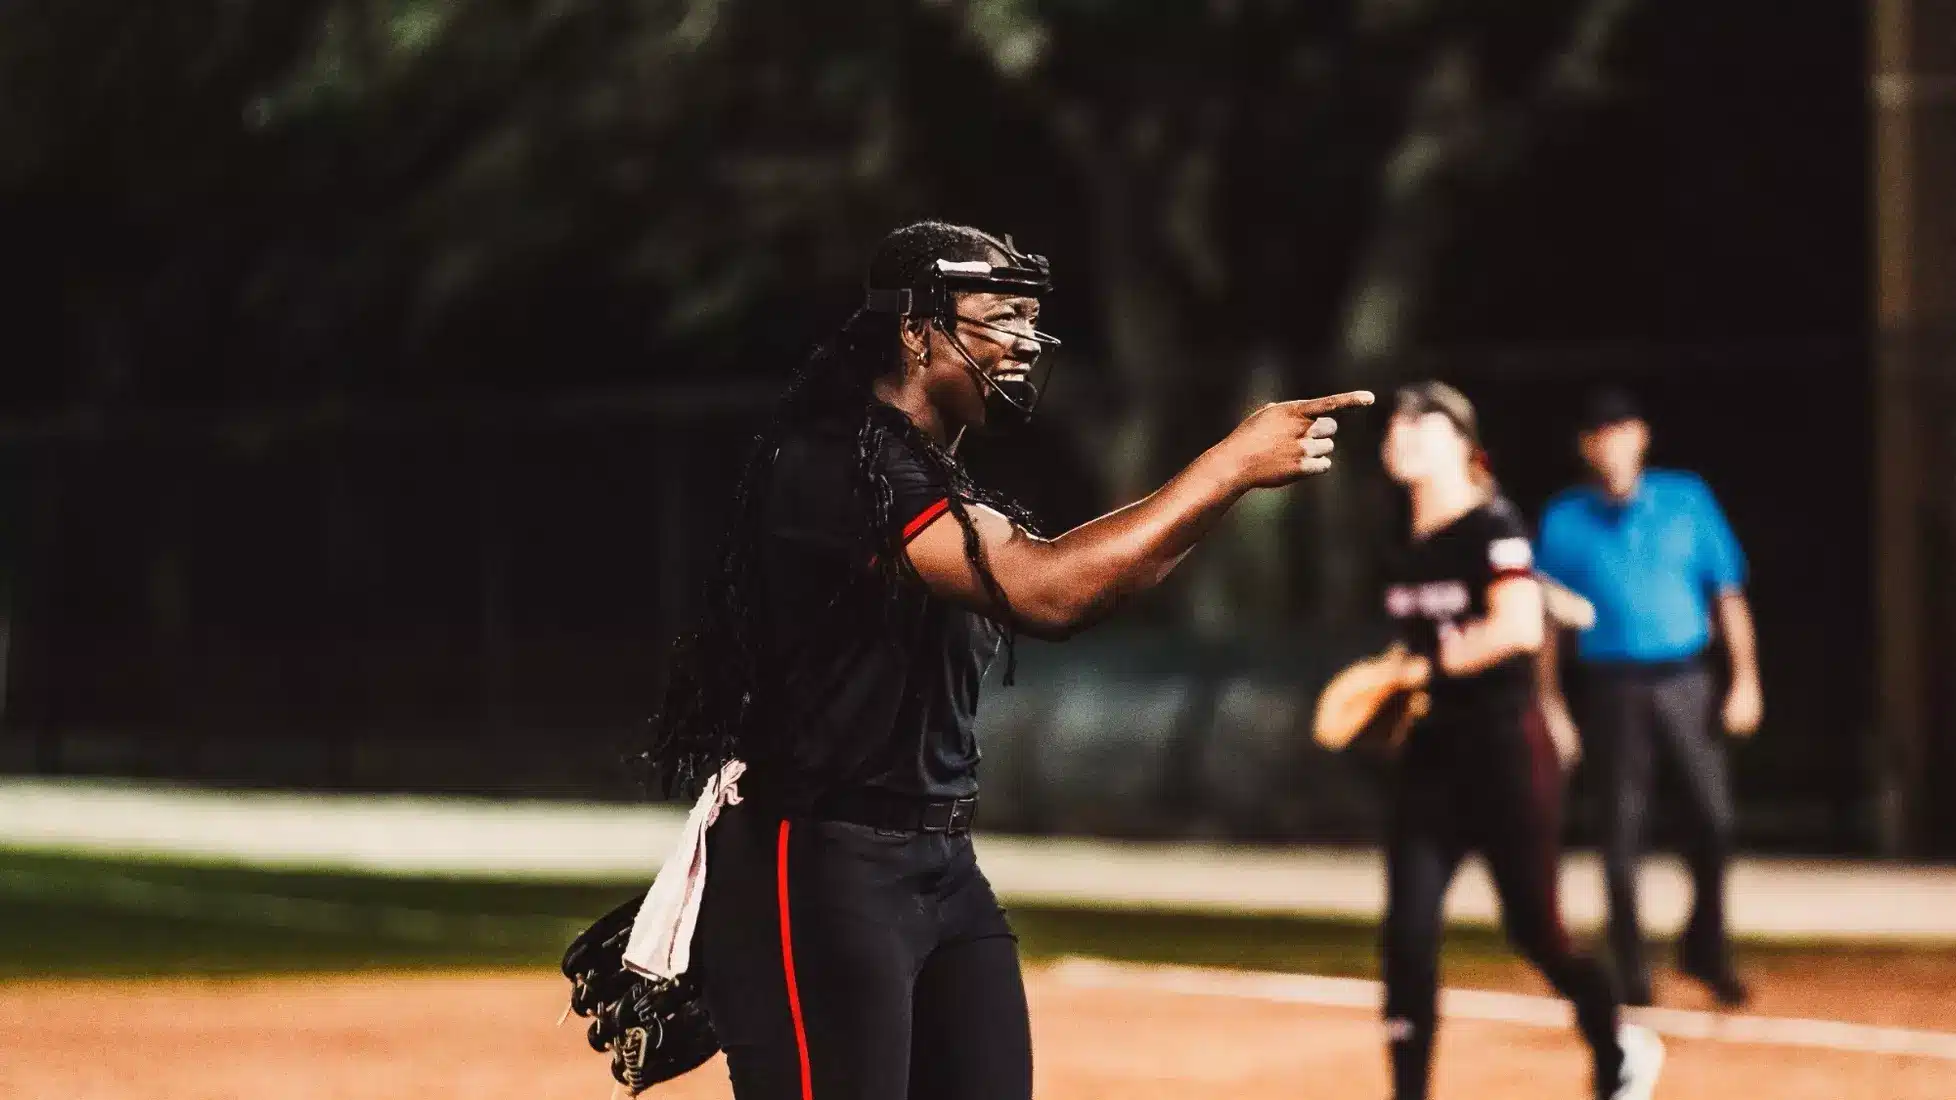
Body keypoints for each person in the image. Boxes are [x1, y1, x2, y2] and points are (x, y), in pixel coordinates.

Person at [646, 220, 1373, 1100]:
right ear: (916, 331)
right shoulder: (840, 462)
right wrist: (1226, 466)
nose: (1025, 343)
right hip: (819, 858)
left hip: (936, 859)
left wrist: (1222, 487)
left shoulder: (922, 471)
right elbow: (1048, 590)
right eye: (1002, 317)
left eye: (1032, 320)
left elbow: (1098, 576)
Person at [1369, 382, 1664, 1100]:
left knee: (1538, 932)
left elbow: (1519, 627)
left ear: (1466, 447)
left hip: (1507, 756)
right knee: (1406, 938)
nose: (1403, 430)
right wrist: (1388, 689)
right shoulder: (1401, 543)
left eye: (1424, 420)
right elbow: (1419, 646)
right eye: (1396, 422)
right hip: (1433, 762)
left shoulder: (1493, 523)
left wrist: (1425, 665)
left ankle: (1617, 1043)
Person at [1534, 386, 1759, 1008]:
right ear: (1586, 446)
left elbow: (1728, 595)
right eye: (1603, 435)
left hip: (1686, 678)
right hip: (1611, 689)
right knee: (1621, 834)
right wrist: (1551, 705)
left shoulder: (1686, 501)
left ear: (1643, 438)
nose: (1615, 446)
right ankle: (1631, 971)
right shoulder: (1564, 520)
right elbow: (1546, 626)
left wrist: (1745, 680)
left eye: (1626, 432)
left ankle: (1706, 948)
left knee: (1713, 819)